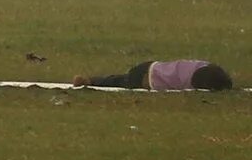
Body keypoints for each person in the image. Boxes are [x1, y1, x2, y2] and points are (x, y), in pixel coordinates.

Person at [81, 57, 233, 90]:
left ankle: (90, 80)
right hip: (148, 75)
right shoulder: (193, 80)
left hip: (149, 66)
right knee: (119, 81)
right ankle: (90, 81)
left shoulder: (205, 66)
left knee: (120, 79)